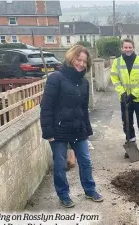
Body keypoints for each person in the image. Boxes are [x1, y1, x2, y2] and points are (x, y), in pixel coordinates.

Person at [40, 45, 103, 208]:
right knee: (60, 164)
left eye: (84, 61)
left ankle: (90, 190)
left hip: (78, 128)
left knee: (86, 161)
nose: (81, 64)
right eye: (78, 59)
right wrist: (48, 132)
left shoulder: (84, 83)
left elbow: (83, 109)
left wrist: (87, 130)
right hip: (59, 130)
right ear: (70, 58)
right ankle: (63, 194)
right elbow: (46, 107)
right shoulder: (56, 78)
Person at [110, 38, 139, 160]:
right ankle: (131, 146)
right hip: (125, 100)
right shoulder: (117, 62)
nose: (127, 49)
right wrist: (122, 93)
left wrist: (134, 94)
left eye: (130, 47)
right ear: (122, 48)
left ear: (133, 48)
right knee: (127, 125)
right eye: (125, 47)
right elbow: (115, 79)